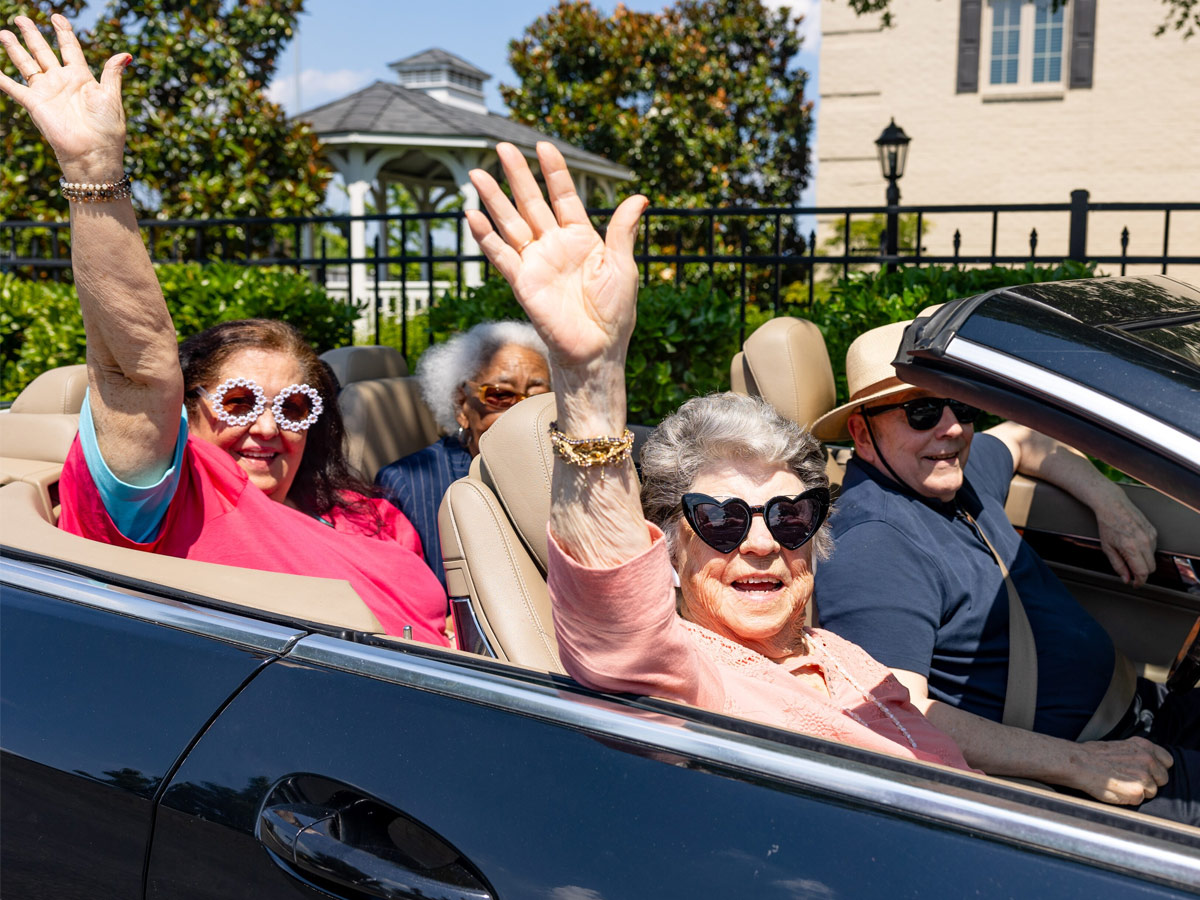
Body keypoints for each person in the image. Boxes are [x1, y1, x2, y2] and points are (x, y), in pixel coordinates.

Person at [462, 139, 975, 771]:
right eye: (723, 519)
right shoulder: (689, 681)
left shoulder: (838, 652)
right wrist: (589, 380)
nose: (761, 543)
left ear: (815, 539)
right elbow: (618, 629)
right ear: (671, 551)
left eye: (790, 516)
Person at [0, 15, 450, 646]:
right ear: (186, 407)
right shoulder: (164, 499)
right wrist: (93, 171)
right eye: (239, 402)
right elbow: (138, 370)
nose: (267, 428)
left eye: (295, 408)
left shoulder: (367, 514)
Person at [811, 320, 1199, 823]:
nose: (951, 427)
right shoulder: (875, 543)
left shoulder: (945, 475)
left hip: (1145, 714)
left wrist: (1111, 504)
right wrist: (1079, 765)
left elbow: (1025, 438)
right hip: (1093, 772)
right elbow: (895, 717)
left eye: (962, 404)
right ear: (863, 433)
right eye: (922, 411)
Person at [376, 321, 550, 587]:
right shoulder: (406, 485)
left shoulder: (567, 476)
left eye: (538, 398)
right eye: (500, 395)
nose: (519, 413)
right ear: (461, 405)